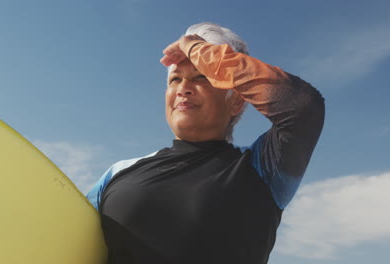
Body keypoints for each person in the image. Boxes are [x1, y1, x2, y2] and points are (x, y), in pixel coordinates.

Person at [87, 22, 325, 264]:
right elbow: (66, 239)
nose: (183, 89)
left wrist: (195, 48)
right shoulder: (118, 173)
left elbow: (303, 108)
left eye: (202, 77)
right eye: (175, 79)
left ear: (236, 102)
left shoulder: (263, 170)